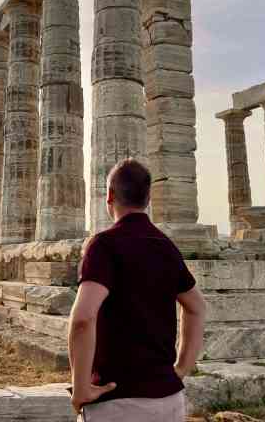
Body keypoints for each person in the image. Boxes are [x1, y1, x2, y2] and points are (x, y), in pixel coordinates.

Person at [68, 158, 206, 421]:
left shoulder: (104, 245)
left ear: (109, 195)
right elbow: (197, 308)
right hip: (168, 400)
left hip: (119, 401)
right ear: (149, 197)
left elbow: (83, 318)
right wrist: (180, 369)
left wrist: (81, 387)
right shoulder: (166, 246)